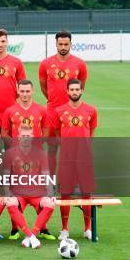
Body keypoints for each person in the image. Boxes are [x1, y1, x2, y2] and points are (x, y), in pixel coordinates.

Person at [0, 79, 53, 240]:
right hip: (16, 157)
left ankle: (42, 228)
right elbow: (4, 133)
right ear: (18, 92)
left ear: (32, 91)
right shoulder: (10, 111)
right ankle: (15, 229)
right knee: (15, 189)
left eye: (27, 91)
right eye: (21, 91)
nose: (24, 94)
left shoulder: (41, 110)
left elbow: (46, 130)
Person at [51, 79, 97, 240]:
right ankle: (64, 229)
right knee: (65, 193)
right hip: (66, 158)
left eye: (77, 89)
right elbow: (57, 132)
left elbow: (91, 132)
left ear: (82, 90)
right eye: (72, 89)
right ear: (67, 91)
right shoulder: (59, 111)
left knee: (86, 192)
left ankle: (88, 229)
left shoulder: (91, 110)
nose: (75, 92)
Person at [38, 30, 88, 175]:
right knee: (52, 148)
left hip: (72, 114)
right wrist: (53, 100)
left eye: (66, 44)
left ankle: (71, 182)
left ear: (71, 44)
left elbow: (80, 87)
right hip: (52, 112)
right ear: (56, 44)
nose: (63, 47)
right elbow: (43, 87)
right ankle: (51, 182)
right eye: (61, 44)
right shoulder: (45, 64)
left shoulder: (80, 64)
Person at [3, 124, 53, 249]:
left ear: (32, 137)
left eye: (28, 136)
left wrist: (51, 192)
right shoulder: (9, 153)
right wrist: (6, 192)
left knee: (50, 203)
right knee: (10, 203)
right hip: (18, 193)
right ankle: (31, 236)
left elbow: (46, 175)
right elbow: (5, 176)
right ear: (18, 137)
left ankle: (31, 236)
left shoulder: (41, 153)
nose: (26, 138)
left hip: (38, 193)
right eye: (23, 136)